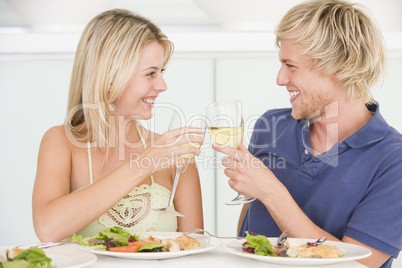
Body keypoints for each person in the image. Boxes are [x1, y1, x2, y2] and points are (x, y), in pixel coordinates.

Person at [212, 0, 402, 267]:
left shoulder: (393, 159)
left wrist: (272, 193)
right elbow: (248, 227)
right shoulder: (272, 125)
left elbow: (359, 264)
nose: (280, 78)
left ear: (339, 64)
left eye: (291, 66)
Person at [32, 9, 204, 242]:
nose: (162, 85)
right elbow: (47, 229)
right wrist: (145, 163)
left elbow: (194, 249)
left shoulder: (172, 154)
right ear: (110, 77)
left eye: (161, 72)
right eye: (150, 73)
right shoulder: (61, 142)